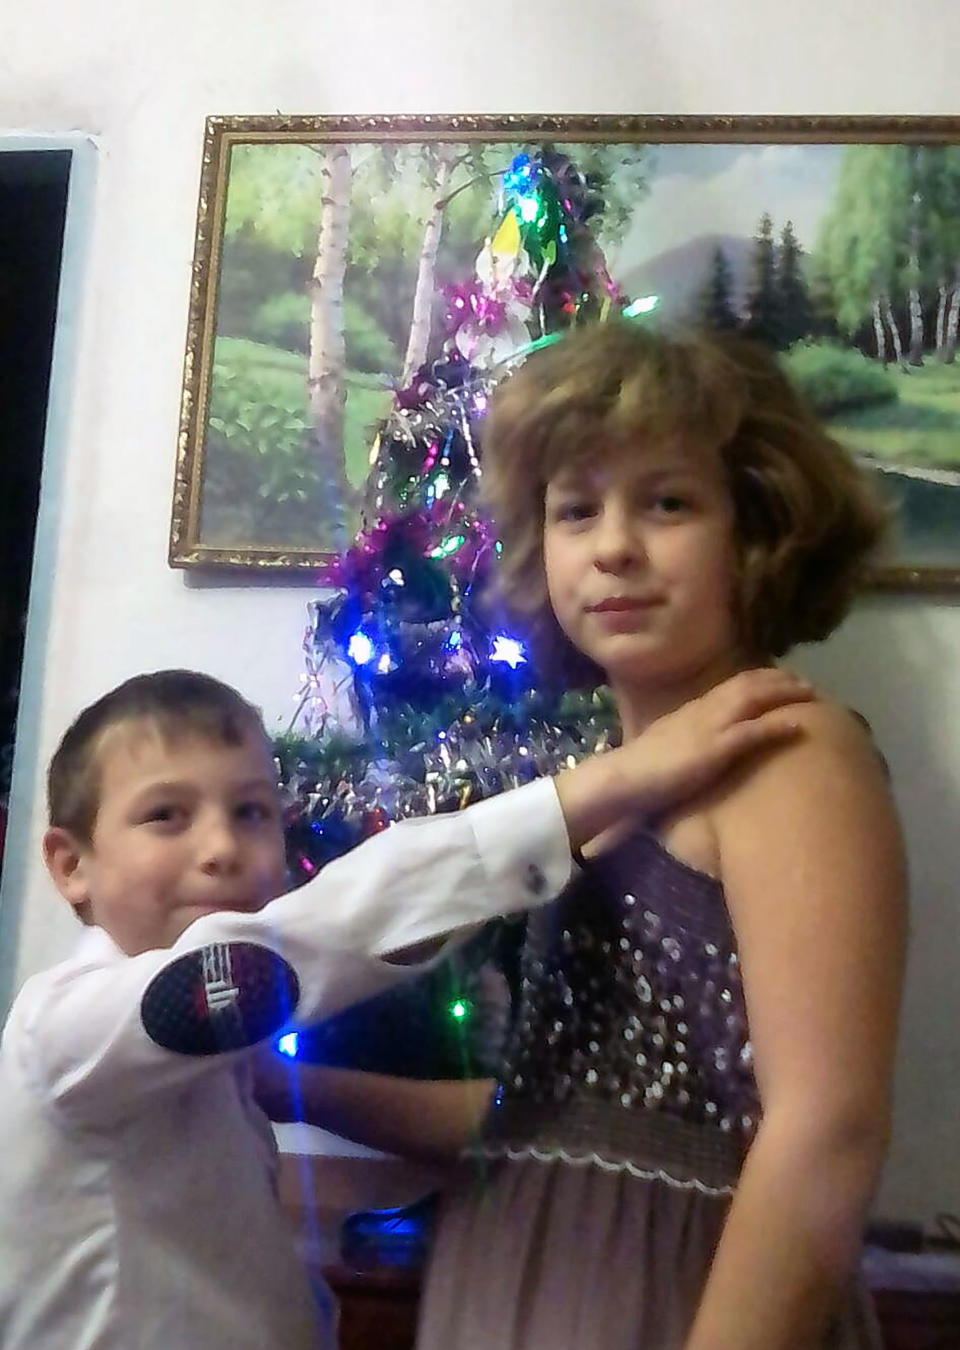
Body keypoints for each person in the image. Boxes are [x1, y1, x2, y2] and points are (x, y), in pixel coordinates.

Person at [260, 323, 908, 1350]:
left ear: (757, 525)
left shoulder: (791, 755)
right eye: (576, 509)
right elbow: (551, 1119)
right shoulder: (602, 794)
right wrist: (276, 1084)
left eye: (667, 501)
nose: (613, 545)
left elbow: (827, 1133)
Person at [0, 663, 807, 1350]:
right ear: (72, 866)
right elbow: (310, 938)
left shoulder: (211, 1066)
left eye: (250, 812)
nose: (219, 848)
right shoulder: (64, 1035)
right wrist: (610, 783)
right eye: (165, 816)